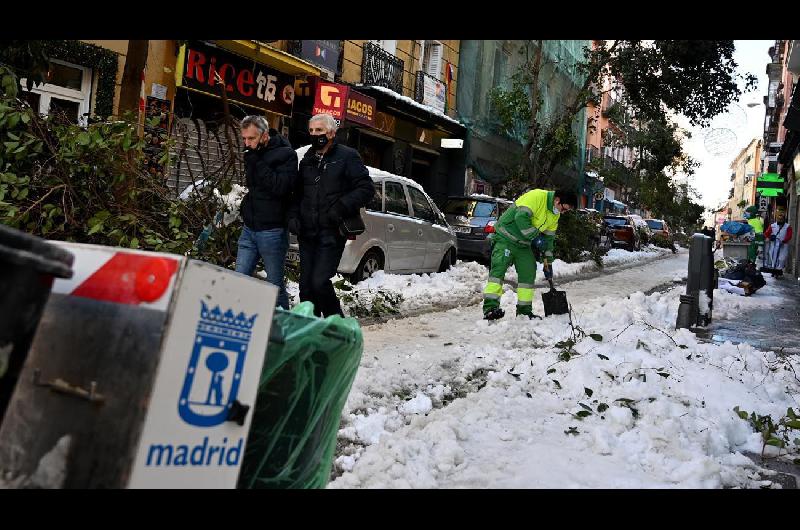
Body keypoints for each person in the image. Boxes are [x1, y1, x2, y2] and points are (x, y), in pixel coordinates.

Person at [288, 113, 374, 317]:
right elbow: (298, 193)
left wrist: (339, 208)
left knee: (319, 282)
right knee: (306, 288)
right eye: (311, 131)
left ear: (331, 133)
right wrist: (293, 216)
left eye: (319, 130)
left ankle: (337, 326)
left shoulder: (347, 156)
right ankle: (313, 330)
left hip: (331, 232)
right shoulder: (307, 159)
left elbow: (366, 189)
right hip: (307, 232)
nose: (314, 134)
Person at [482, 189, 576, 320]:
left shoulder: (555, 215)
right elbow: (520, 217)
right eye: (563, 209)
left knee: (529, 272)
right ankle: (490, 308)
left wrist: (548, 261)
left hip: (523, 243)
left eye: (566, 211)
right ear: (557, 200)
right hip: (505, 237)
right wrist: (536, 237)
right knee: (498, 270)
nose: (563, 212)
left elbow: (548, 240)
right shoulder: (536, 196)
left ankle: (524, 312)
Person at [235, 115, 297, 309]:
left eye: (251, 139)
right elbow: (255, 187)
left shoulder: (286, 154)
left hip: (272, 231)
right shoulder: (253, 153)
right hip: (250, 227)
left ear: (264, 135)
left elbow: (280, 187)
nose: (247, 143)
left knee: (274, 285)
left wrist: (257, 162)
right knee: (238, 279)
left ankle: (285, 326)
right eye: (244, 139)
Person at [763, 211, 793, 277]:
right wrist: (769, 237)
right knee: (773, 258)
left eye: (781, 219)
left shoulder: (788, 226)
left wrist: (784, 241)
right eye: (779, 219)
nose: (780, 220)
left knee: (782, 258)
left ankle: (779, 269)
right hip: (774, 245)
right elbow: (766, 233)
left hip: (783, 245)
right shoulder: (772, 226)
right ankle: (774, 271)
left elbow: (789, 235)